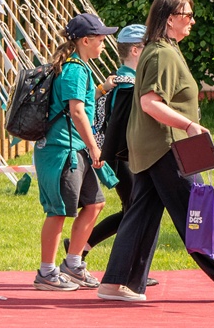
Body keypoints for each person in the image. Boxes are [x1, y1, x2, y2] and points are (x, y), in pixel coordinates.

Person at [99, 0, 214, 302]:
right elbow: (150, 103)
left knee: (141, 215)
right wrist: (189, 125)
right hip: (166, 147)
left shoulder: (161, 50)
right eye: (187, 15)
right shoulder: (163, 54)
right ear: (170, 18)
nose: (192, 20)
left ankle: (115, 283)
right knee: (198, 212)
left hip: (152, 148)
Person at [32, 13, 116, 291]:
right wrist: (95, 147)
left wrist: (105, 86)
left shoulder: (78, 67)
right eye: (101, 38)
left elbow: (83, 101)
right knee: (58, 212)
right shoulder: (75, 69)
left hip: (73, 149)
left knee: (94, 204)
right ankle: (46, 272)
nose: (104, 43)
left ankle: (73, 263)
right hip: (62, 151)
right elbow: (77, 110)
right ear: (85, 40)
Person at [80, 24, 154, 283]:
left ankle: (81, 248)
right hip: (124, 158)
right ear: (136, 50)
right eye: (148, 48)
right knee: (136, 210)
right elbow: (119, 129)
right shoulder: (127, 86)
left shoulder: (123, 81)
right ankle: (124, 269)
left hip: (123, 157)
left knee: (132, 210)